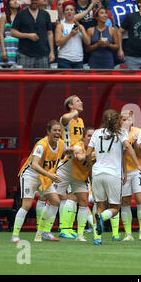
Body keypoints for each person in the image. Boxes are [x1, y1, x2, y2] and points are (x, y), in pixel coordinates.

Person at [86, 109, 141, 246]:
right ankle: (102, 218)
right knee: (115, 207)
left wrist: (90, 169)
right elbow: (129, 148)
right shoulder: (121, 133)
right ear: (117, 120)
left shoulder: (96, 133)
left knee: (99, 206)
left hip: (97, 173)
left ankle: (97, 239)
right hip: (113, 174)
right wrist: (138, 165)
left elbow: (88, 154)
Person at [11, 120, 65, 243]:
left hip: (45, 176)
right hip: (31, 175)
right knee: (27, 205)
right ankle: (15, 235)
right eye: (55, 130)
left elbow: (68, 152)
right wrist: (50, 175)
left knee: (55, 201)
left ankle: (45, 232)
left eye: (59, 130)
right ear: (48, 132)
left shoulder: (61, 144)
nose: (57, 133)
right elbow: (34, 165)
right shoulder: (41, 145)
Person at [54, 126, 94, 242]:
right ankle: (45, 230)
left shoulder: (96, 149)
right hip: (64, 172)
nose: (91, 138)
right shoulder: (78, 146)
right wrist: (91, 156)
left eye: (93, 136)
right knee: (53, 199)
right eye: (89, 136)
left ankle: (78, 233)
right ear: (83, 138)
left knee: (82, 201)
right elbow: (80, 158)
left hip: (78, 176)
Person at [57, 95, 84, 239]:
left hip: (77, 160)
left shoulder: (80, 121)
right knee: (60, 196)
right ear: (70, 106)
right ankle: (61, 228)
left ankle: (67, 227)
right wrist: (74, 112)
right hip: (67, 159)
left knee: (73, 196)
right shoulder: (66, 119)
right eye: (78, 101)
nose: (81, 102)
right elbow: (65, 119)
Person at [119, 110, 141, 242]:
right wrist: (124, 172)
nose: (126, 122)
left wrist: (138, 146)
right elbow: (121, 155)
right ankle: (128, 233)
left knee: (139, 198)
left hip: (138, 169)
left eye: (128, 119)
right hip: (123, 171)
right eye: (124, 119)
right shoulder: (118, 133)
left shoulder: (138, 131)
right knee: (125, 201)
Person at [11, 0, 55, 68]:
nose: (34, 1)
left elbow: (50, 33)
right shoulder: (21, 14)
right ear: (28, 0)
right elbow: (13, 32)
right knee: (25, 79)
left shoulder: (45, 14)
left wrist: (52, 52)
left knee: (43, 79)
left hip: (43, 54)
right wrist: (28, 35)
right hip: (25, 54)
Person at [55, 0, 90, 69]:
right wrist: (70, 35)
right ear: (64, 12)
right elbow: (57, 43)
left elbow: (88, 42)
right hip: (64, 59)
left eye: (71, 10)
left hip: (78, 60)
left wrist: (82, 30)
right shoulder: (60, 26)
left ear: (74, 12)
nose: (69, 11)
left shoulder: (80, 26)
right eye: (67, 10)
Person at [0, 0, 20, 68]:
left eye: (17, 0)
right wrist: (3, 51)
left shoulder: (22, 16)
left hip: (19, 46)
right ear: (8, 3)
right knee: (8, 70)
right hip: (8, 46)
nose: (15, 1)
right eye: (13, 0)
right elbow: (1, 34)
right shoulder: (4, 17)